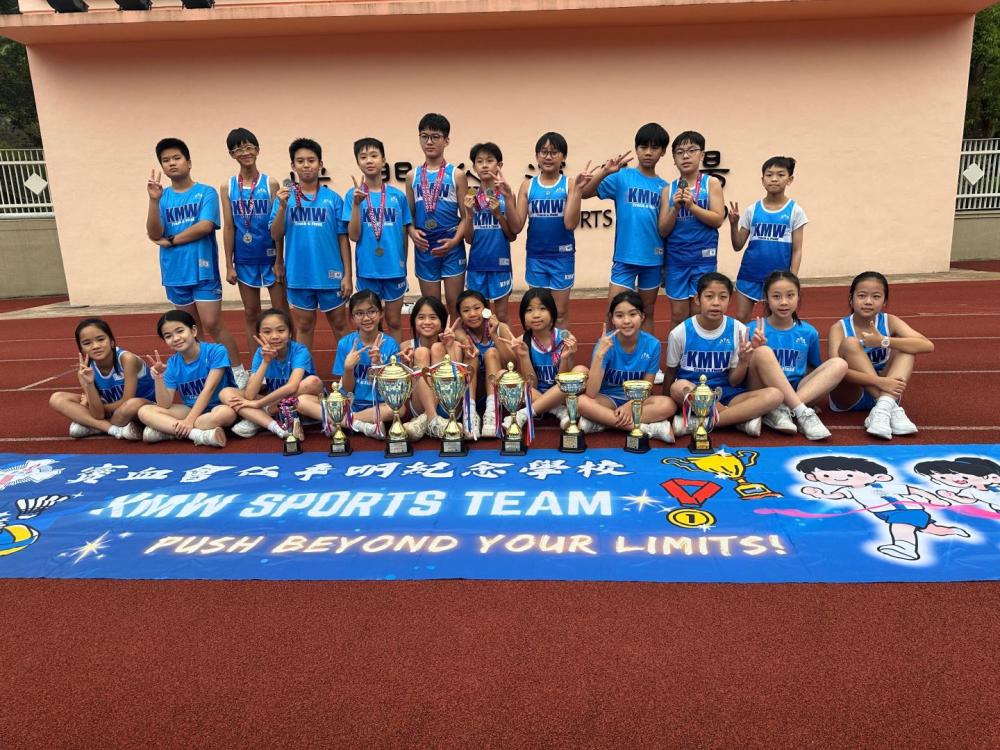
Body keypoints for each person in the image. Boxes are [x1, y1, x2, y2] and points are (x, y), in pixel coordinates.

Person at [145, 137, 247, 387]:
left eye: (177, 158)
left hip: (203, 271)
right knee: (192, 330)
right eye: (166, 160)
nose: (172, 163)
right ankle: (206, 375)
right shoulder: (162, 197)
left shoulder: (205, 192)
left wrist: (171, 240)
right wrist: (153, 201)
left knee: (213, 324)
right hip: (174, 272)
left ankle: (238, 371)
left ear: (188, 162)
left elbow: (205, 226)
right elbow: (154, 232)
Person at [665, 272, 783, 438]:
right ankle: (736, 419)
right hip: (694, 394)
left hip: (727, 395)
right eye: (709, 296)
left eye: (723, 297)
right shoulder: (680, 332)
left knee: (775, 395)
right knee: (678, 387)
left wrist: (744, 361)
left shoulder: (738, 330)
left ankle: (701, 423)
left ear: (729, 300)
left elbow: (734, 381)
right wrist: (667, 407)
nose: (716, 303)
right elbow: (670, 372)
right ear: (697, 299)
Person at [581, 123, 670, 339]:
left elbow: (666, 228)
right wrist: (605, 171)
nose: (648, 152)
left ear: (663, 152)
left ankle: (648, 357)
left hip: (653, 259)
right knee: (614, 312)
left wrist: (666, 264)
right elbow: (584, 192)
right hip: (625, 258)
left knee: (647, 312)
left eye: (654, 148)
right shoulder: (622, 177)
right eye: (643, 147)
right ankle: (609, 357)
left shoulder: (665, 187)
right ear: (636, 148)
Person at [796, 456, 969, 562]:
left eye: (849, 474)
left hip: (906, 510)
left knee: (901, 527)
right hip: (887, 513)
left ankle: (904, 547)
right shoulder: (849, 490)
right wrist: (819, 493)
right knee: (933, 529)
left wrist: (933, 497)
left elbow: (911, 490)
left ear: (877, 476)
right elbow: (836, 496)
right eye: (826, 476)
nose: (840, 478)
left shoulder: (884, 486)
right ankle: (952, 530)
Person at [269, 137, 352, 356]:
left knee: (340, 324)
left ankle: (350, 373)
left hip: (331, 274)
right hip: (299, 274)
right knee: (303, 326)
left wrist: (347, 275)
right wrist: (282, 208)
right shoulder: (283, 199)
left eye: (311, 160)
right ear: (293, 165)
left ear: (320, 163)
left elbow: (343, 239)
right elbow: (275, 234)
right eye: (300, 161)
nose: (306, 165)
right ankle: (303, 372)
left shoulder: (333, 199)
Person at [827, 271, 933, 440]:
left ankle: (883, 409)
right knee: (850, 343)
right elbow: (834, 372)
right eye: (862, 296)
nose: (868, 301)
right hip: (852, 394)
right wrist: (880, 382)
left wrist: (883, 341)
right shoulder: (839, 328)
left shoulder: (890, 321)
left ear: (885, 302)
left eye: (876, 297)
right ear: (851, 299)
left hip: (886, 391)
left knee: (906, 347)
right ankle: (888, 407)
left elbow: (927, 345)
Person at [311, 290, 427, 441]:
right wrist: (348, 369)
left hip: (379, 404)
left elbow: (393, 390)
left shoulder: (390, 344)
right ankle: (363, 425)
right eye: (359, 313)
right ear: (352, 318)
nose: (366, 318)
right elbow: (347, 390)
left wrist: (378, 366)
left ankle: (342, 421)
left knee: (398, 410)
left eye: (371, 312)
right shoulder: (345, 344)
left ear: (381, 313)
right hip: (351, 403)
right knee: (302, 402)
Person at [746, 271, 848, 439]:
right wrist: (753, 350)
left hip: (797, 391)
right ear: (766, 298)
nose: (784, 302)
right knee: (763, 352)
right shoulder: (752, 329)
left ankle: (786, 409)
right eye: (776, 296)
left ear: (798, 297)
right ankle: (797, 410)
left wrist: (813, 393)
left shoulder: (808, 332)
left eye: (790, 295)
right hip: (764, 392)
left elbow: (813, 367)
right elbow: (743, 372)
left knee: (839, 364)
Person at [508, 132, 589, 327]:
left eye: (554, 152)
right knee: (538, 312)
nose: (548, 157)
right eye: (544, 152)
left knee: (560, 313)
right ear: (537, 156)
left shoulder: (570, 184)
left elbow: (570, 224)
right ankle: (539, 347)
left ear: (563, 157)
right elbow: (517, 226)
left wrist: (578, 191)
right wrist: (507, 199)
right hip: (536, 257)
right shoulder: (528, 186)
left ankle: (562, 348)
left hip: (562, 257)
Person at [575, 291, 675, 443]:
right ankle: (645, 428)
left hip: (637, 401)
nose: (626, 321)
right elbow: (591, 393)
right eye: (619, 315)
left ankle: (603, 422)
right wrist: (599, 356)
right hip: (608, 399)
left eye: (632, 314)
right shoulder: (605, 344)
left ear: (642, 316)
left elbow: (647, 387)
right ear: (612, 319)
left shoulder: (653, 344)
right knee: (581, 402)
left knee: (668, 405)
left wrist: (629, 406)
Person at [220, 127, 287, 355]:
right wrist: (228, 265)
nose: (245, 152)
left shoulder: (270, 183)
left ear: (257, 150)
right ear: (232, 154)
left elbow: (277, 225)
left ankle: (286, 361)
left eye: (249, 147)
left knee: (281, 312)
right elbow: (229, 227)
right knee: (251, 313)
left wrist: (279, 261)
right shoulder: (227, 187)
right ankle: (258, 363)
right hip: (244, 259)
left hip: (269, 257)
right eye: (238, 149)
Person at [344, 137, 412, 343]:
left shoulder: (397, 196)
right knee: (370, 323)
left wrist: (403, 264)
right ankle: (373, 361)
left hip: (394, 269)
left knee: (394, 321)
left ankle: (395, 361)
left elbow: (404, 234)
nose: (369, 160)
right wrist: (357, 205)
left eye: (374, 155)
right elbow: (353, 236)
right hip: (368, 269)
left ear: (383, 160)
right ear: (358, 162)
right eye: (363, 157)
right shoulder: (352, 195)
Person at [137, 310, 237, 447]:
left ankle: (169, 431)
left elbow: (209, 389)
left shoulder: (216, 351)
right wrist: (159, 378)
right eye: (168, 336)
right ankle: (197, 435)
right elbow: (164, 404)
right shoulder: (172, 364)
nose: (176, 338)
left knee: (226, 414)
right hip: (190, 409)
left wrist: (189, 421)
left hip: (218, 407)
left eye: (180, 331)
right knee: (144, 411)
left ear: (193, 331)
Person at [658, 131, 725, 333]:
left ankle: (698, 351)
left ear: (701, 155)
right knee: (678, 315)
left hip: (703, 259)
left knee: (700, 313)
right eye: (680, 152)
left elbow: (717, 219)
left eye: (691, 150)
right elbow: (663, 230)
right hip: (676, 260)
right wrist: (675, 209)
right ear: (674, 159)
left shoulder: (711, 183)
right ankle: (675, 353)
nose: (685, 156)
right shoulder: (668, 190)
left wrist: (692, 206)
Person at [728, 156, 808, 323]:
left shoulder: (795, 211)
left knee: (774, 321)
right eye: (769, 175)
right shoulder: (752, 210)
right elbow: (737, 245)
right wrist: (734, 224)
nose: (774, 179)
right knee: (741, 318)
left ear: (790, 179)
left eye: (780, 174)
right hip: (749, 274)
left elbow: (797, 250)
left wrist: (792, 279)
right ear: (762, 180)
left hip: (778, 277)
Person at [224, 308, 324, 440]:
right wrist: (265, 362)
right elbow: (250, 395)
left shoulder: (300, 351)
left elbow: (292, 387)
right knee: (226, 392)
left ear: (290, 333)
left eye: (281, 330)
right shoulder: (260, 353)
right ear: (259, 335)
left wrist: (260, 405)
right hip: (275, 402)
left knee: (311, 382)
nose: (275, 336)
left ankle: (261, 415)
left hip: (302, 402)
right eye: (267, 332)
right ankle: (273, 425)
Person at [49, 318, 154, 440]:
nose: (96, 346)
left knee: (132, 405)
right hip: (111, 411)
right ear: (81, 349)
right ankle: (112, 429)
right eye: (87, 343)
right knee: (57, 398)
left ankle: (93, 426)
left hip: (141, 408)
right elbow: (98, 414)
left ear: (112, 342)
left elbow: (127, 400)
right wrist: (89, 385)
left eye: (101, 339)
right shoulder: (85, 371)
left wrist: (91, 406)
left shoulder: (127, 359)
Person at [407, 113, 470, 314]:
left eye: (435, 137)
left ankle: (455, 336)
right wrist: (412, 232)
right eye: (424, 136)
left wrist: (455, 241)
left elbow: (466, 216)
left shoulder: (456, 175)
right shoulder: (412, 176)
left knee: (455, 304)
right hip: (425, 247)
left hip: (452, 246)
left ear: (446, 140)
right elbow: (409, 216)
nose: (429, 142)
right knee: (431, 307)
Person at [500, 287, 578, 431]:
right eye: (529, 310)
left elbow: (563, 382)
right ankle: (557, 411)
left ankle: (524, 414)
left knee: (581, 371)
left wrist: (565, 358)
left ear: (552, 313)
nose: (536, 315)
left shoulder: (565, 338)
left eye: (542, 309)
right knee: (503, 376)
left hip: (560, 394)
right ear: (523, 317)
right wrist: (523, 356)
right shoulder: (523, 341)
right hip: (535, 394)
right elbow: (532, 384)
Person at [448, 289, 516, 439]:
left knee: (491, 352)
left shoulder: (501, 328)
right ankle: (470, 413)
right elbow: (460, 336)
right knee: (471, 356)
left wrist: (494, 335)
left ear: (486, 310)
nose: (472, 314)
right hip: (475, 389)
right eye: (466, 310)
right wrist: (466, 343)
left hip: (499, 390)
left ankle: (492, 412)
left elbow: (512, 363)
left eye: (477, 308)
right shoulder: (459, 332)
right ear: (460, 315)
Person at [463, 142, 517, 325]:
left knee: (501, 315)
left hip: (500, 264)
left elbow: (512, 235)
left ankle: (506, 345)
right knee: (479, 315)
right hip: (477, 264)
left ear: (499, 165)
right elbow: (468, 239)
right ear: (474, 167)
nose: (484, 165)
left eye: (489, 161)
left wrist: (498, 215)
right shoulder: (470, 197)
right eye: (479, 161)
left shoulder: (506, 195)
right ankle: (483, 344)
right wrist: (469, 214)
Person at [913, 456, 1000, 512]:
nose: (953, 479)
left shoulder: (990, 479)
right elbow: (969, 500)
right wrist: (954, 497)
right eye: (943, 478)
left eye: (955, 473)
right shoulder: (970, 491)